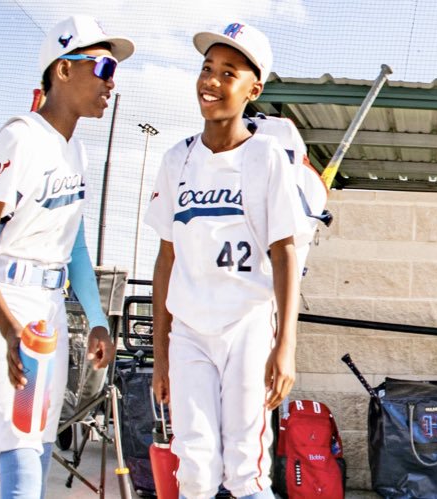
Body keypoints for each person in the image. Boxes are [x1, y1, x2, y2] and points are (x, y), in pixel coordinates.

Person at [0, 15, 130, 498]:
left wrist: (96, 317)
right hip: (10, 302)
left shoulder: (72, 151)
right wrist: (8, 327)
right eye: (101, 66)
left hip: (49, 310)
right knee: (20, 459)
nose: (110, 81)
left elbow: (72, 243)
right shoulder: (20, 137)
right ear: (62, 70)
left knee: (37, 447)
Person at [145, 22, 303, 498]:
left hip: (246, 326)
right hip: (190, 331)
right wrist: (160, 355)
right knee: (192, 466)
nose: (211, 81)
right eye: (207, 69)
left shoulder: (267, 156)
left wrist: (286, 345)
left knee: (245, 466)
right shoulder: (178, 159)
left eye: (228, 73)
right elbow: (165, 258)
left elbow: (286, 252)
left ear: (253, 89)